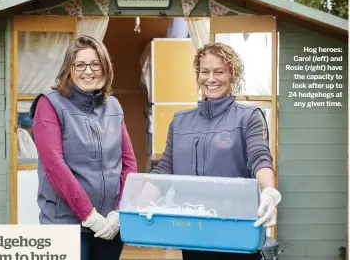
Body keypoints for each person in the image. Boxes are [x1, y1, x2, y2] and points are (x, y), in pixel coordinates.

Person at [150, 42, 281, 260]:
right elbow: (164, 169)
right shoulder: (180, 121)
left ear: (232, 75)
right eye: (205, 71)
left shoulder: (248, 117)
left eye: (219, 71)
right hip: (192, 233)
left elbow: (260, 157)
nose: (211, 79)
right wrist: (132, 205)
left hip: (237, 232)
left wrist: (268, 191)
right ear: (197, 75)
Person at [30, 35, 138, 260]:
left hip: (109, 226)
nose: (88, 71)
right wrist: (88, 215)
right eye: (80, 64)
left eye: (95, 64)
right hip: (65, 225)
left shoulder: (113, 107)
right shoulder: (50, 104)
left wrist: (120, 211)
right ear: (69, 69)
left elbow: (128, 163)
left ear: (105, 67)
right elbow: (54, 166)